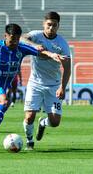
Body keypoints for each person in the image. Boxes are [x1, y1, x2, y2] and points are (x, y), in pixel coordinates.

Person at [22, 11, 71, 150]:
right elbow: (21, 38)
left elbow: (67, 68)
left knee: (55, 122)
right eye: (49, 25)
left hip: (54, 85)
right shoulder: (36, 35)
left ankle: (43, 123)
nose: (51, 28)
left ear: (58, 26)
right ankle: (29, 141)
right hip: (35, 84)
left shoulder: (62, 44)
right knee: (30, 116)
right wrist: (34, 45)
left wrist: (62, 87)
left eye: (54, 25)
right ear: (44, 24)